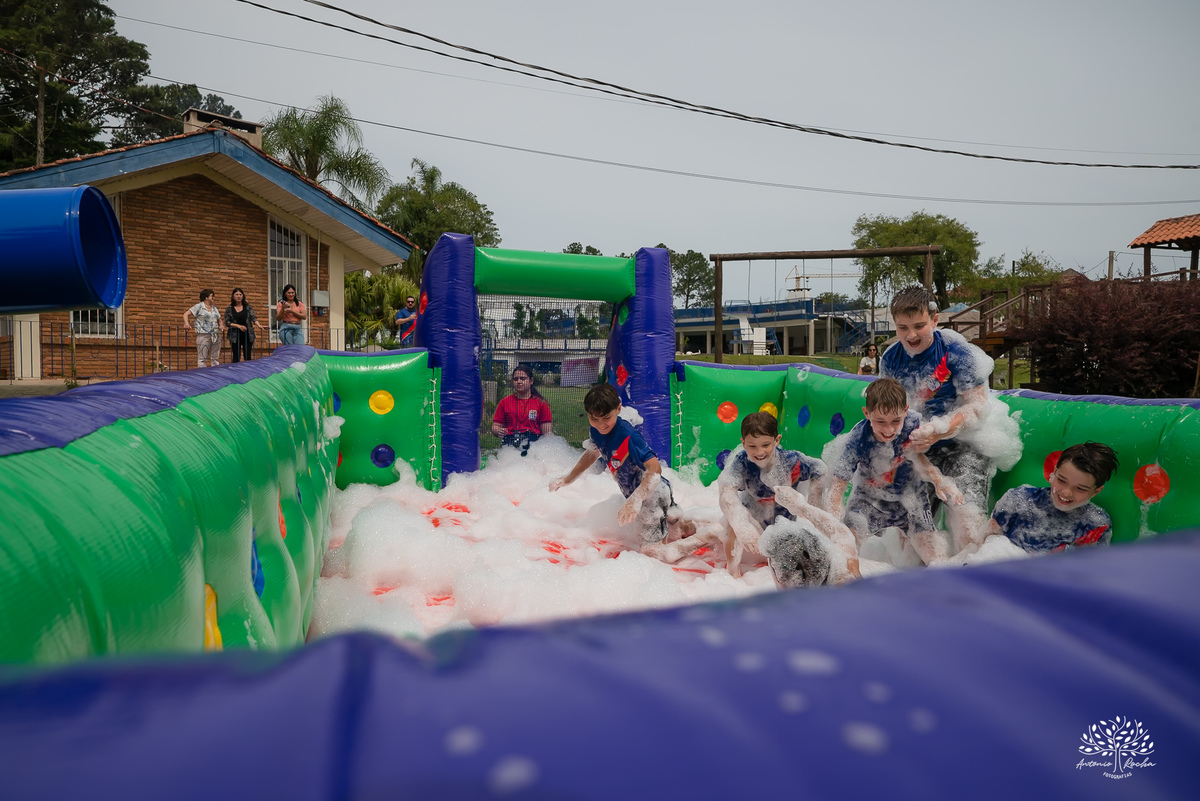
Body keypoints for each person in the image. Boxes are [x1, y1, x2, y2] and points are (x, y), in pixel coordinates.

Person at [879, 285, 995, 554]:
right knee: (910, 534)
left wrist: (940, 431)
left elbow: (978, 406)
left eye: (919, 326)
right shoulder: (891, 359)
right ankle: (915, 576)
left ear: (934, 319)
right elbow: (888, 412)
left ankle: (968, 573)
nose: (911, 335)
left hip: (962, 445)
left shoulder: (957, 353)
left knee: (967, 526)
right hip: (917, 450)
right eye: (902, 328)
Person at [823, 377, 964, 565]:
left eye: (896, 421)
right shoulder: (857, 440)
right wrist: (834, 524)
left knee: (935, 558)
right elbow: (837, 488)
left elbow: (918, 456)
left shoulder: (912, 424)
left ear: (906, 411)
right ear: (866, 413)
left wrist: (938, 480)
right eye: (880, 421)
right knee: (845, 546)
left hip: (911, 497)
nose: (889, 429)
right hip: (869, 499)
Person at [550, 383, 676, 552]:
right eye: (594, 418)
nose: (601, 424)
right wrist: (568, 479)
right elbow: (592, 453)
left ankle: (698, 542)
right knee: (678, 529)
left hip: (652, 495)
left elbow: (655, 468)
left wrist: (636, 500)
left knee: (653, 552)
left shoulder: (628, 436)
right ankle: (700, 535)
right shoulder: (596, 431)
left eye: (606, 418)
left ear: (618, 409)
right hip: (643, 495)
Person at [717, 411, 840, 581]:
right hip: (755, 525)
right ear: (743, 443)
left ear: (777, 440)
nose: (759, 452)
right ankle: (734, 577)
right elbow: (727, 494)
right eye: (752, 446)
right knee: (731, 522)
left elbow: (819, 469)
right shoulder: (741, 462)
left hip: (783, 527)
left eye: (765, 445)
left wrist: (814, 501)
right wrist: (742, 527)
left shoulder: (790, 461)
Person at [989, 442, 1117, 553]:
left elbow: (1091, 566)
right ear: (1054, 472)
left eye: (1080, 489)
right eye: (1061, 480)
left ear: (1096, 491)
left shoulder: (1095, 524)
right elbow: (987, 540)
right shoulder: (1018, 499)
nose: (1066, 493)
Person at [491, 364, 553, 455]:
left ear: (531, 381)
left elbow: (547, 434)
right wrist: (497, 431)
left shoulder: (541, 403)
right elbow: (495, 426)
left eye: (523, 379)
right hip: (509, 447)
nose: (519, 382)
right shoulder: (504, 402)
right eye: (516, 379)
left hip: (533, 447)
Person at [183, 288, 225, 368]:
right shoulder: (199, 306)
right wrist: (187, 323)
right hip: (203, 334)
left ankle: (215, 372)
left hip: (215, 334)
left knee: (215, 357)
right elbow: (186, 314)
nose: (214, 298)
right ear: (206, 297)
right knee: (202, 357)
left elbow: (219, 319)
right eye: (212, 296)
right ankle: (202, 373)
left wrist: (221, 325)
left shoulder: (214, 308)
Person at [224, 287, 266, 363]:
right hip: (235, 335)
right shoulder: (229, 308)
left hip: (247, 334)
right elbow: (227, 322)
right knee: (236, 356)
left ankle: (248, 369)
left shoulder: (248, 307)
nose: (239, 296)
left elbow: (253, 318)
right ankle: (236, 369)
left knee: (247, 356)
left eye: (240, 294)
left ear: (243, 296)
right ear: (233, 296)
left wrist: (259, 325)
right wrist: (238, 326)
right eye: (237, 294)